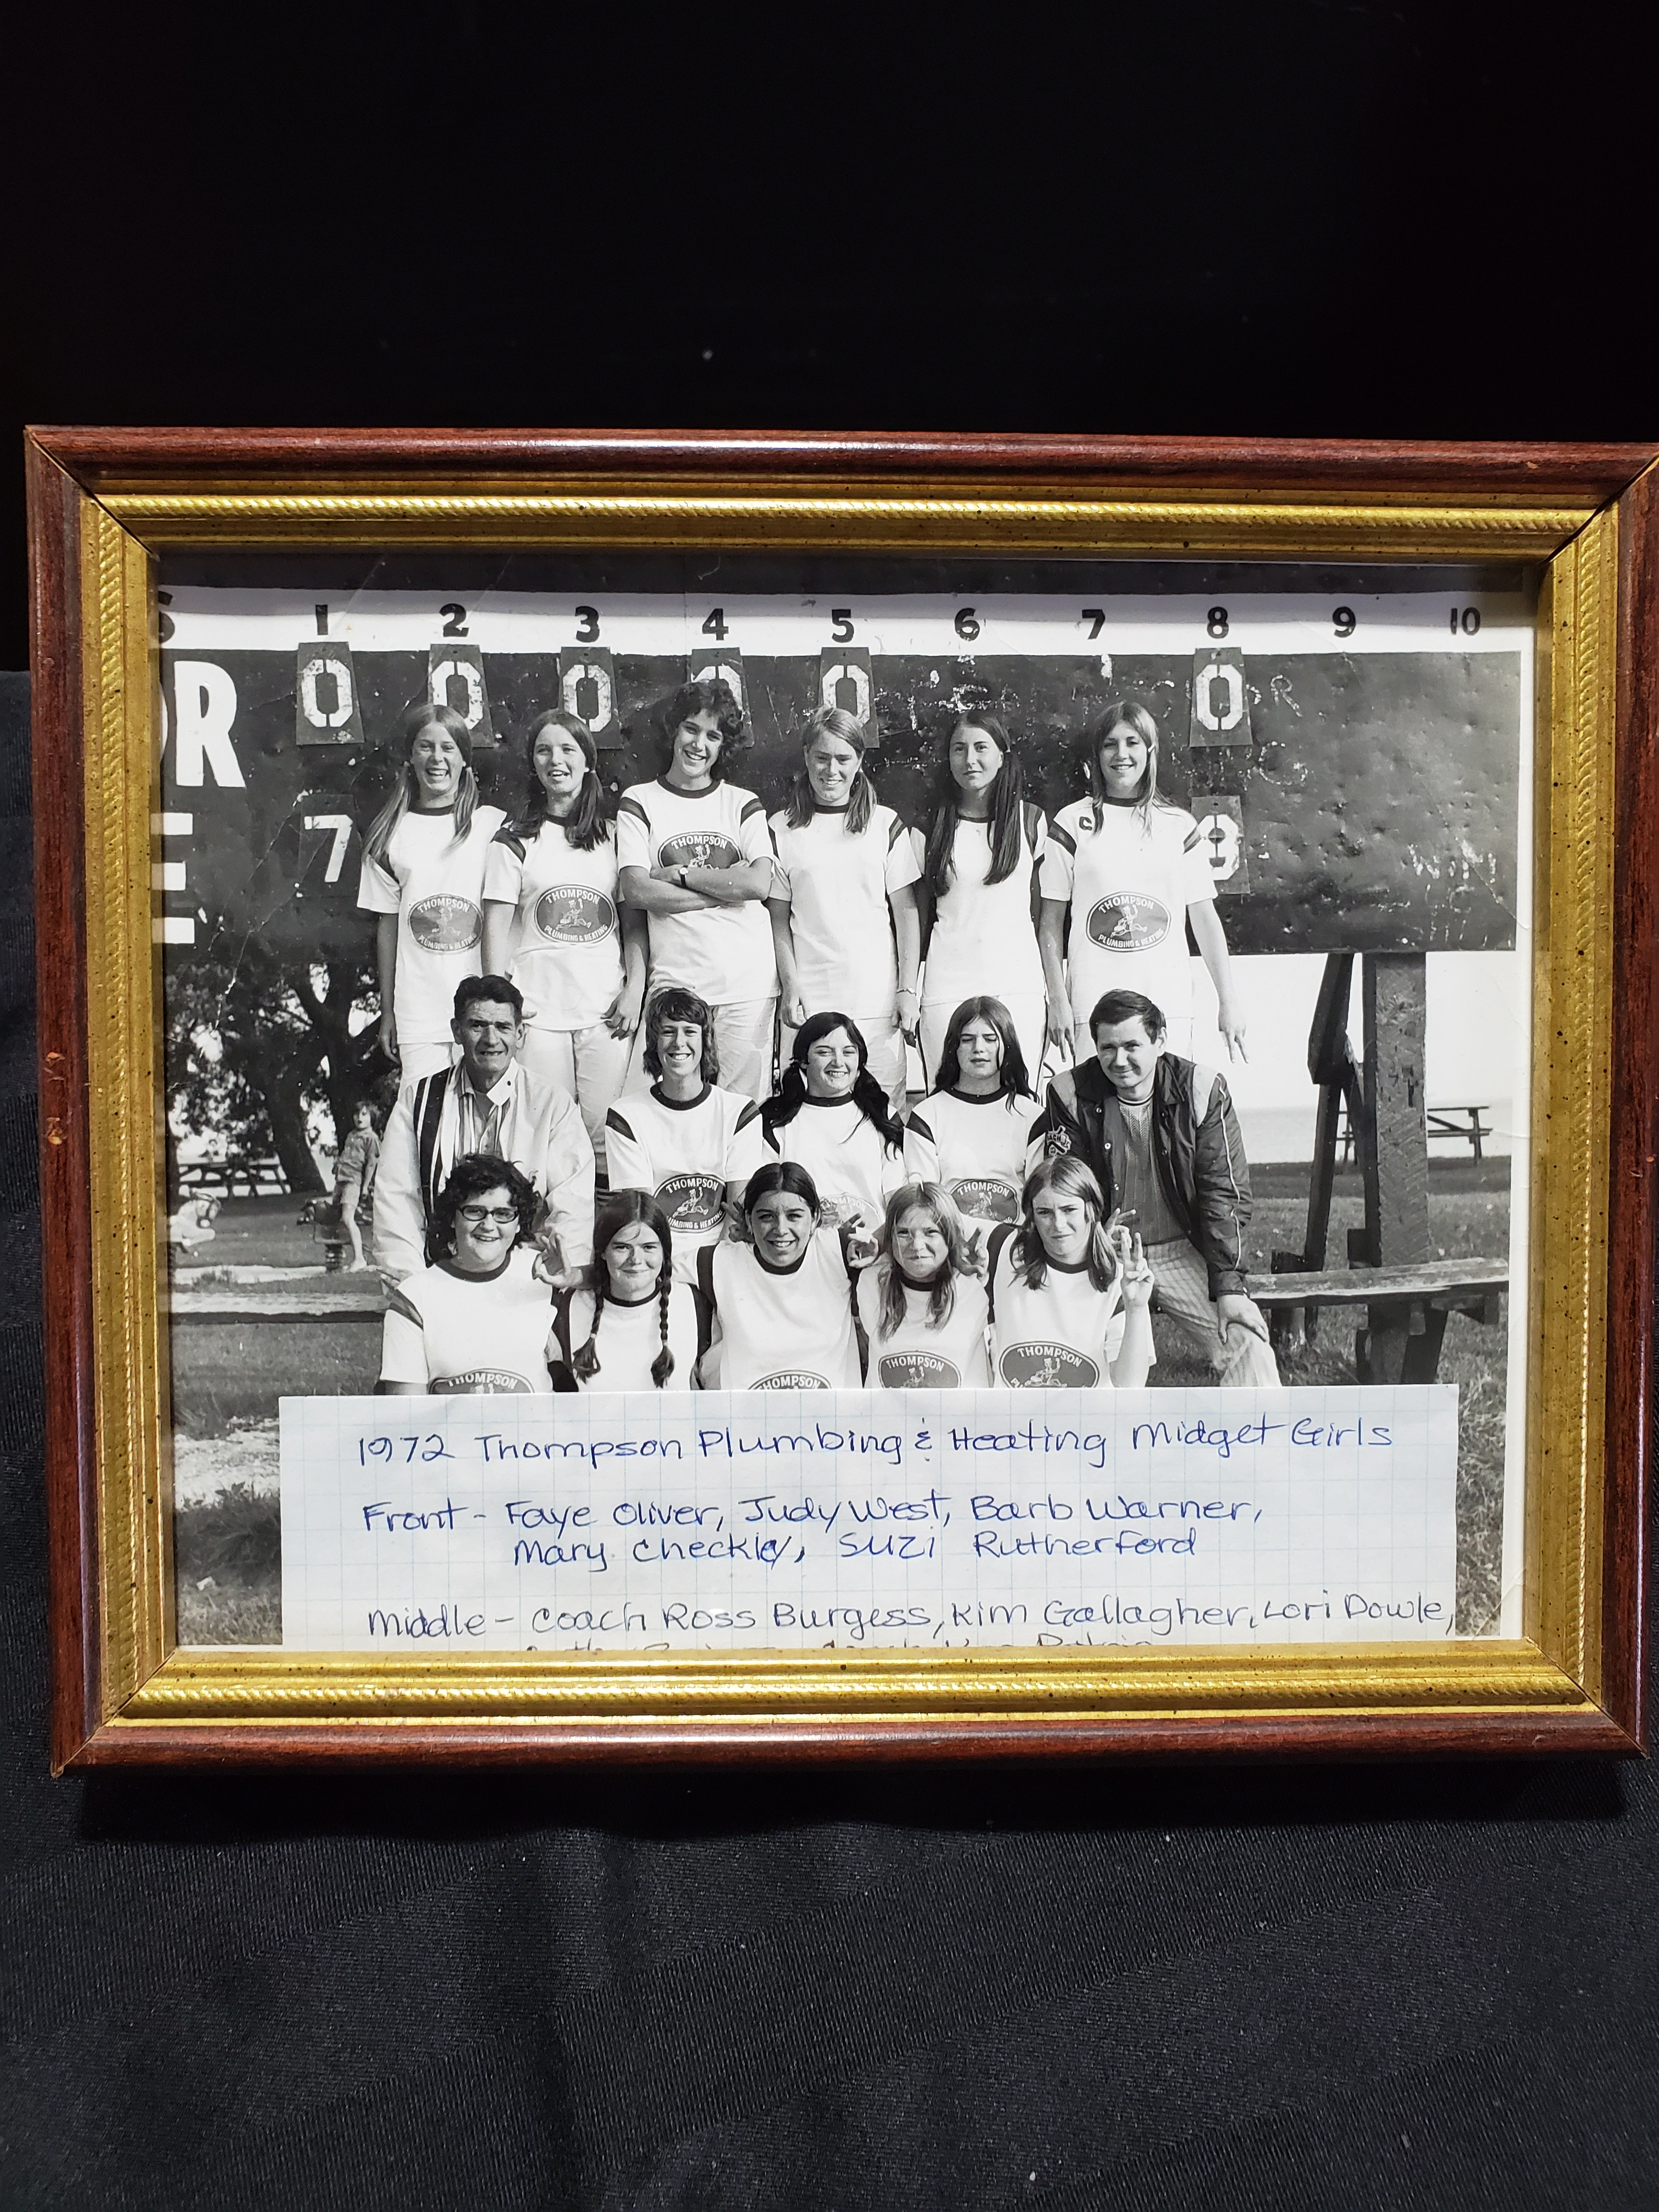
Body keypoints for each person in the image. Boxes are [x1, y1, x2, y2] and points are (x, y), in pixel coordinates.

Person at [1030, 986, 1279, 1387]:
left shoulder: (1200, 1087)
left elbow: (1224, 1194)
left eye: (1132, 1045)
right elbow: (1064, 1186)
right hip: (1104, 1249)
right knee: (1079, 1359)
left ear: (1160, 1039)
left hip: (1180, 1250)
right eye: (1107, 1047)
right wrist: (1093, 1242)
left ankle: (1254, 1445)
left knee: (1248, 1343)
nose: (1119, 1059)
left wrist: (1229, 1286)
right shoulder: (1069, 1092)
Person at [1038, 697, 1245, 1064]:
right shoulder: (1071, 824)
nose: (1122, 754)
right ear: (1097, 756)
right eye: (1110, 744)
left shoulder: (1179, 825)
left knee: (1168, 1114)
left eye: (1132, 743)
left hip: (1167, 1002)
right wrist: (1057, 1000)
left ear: (1150, 751)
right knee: (1100, 1117)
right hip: (1094, 1004)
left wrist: (1229, 1002)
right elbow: (1050, 922)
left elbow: (1205, 921)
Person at [481, 708, 648, 1165]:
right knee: (545, 1139)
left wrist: (635, 988)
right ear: (533, 764)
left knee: (606, 1140)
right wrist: (503, 1005)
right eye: (544, 750)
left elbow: (633, 922)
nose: (556, 760)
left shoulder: (614, 837)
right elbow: (494, 928)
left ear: (588, 761)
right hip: (539, 1015)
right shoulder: (512, 840)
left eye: (568, 749)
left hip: (606, 1013)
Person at [615, 677, 779, 1101]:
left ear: (724, 746)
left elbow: (759, 883)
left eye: (713, 735)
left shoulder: (743, 802)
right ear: (674, 730)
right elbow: (636, 891)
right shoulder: (640, 801)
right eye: (691, 729)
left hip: (747, 985)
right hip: (676, 984)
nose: (698, 744)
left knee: (742, 1115)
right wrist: (725, 889)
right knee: (662, 1109)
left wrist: (679, 875)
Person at [372, 974, 595, 1285]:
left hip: (526, 1279)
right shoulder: (420, 1100)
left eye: (503, 1027)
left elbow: (573, 1209)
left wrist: (552, 1277)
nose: (492, 1039)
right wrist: (415, 1288)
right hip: (441, 1277)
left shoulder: (551, 1104)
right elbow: (396, 1200)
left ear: (521, 1034)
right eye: (478, 1025)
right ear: (457, 1031)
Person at [768, 706, 922, 1109]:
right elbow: (779, 921)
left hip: (877, 1003)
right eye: (822, 758)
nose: (831, 770)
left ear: (860, 761)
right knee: (808, 1117)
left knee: (884, 1118)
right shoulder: (780, 829)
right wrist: (791, 987)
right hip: (811, 1003)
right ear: (806, 757)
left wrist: (908, 990)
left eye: (843, 759)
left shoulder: (885, 825)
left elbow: (906, 914)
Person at [357, 702, 506, 1081]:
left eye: (448, 748)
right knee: (428, 1125)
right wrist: (388, 1011)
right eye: (426, 746)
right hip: (420, 1011)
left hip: (485, 1013)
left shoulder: (492, 827)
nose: (437, 758)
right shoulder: (388, 835)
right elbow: (387, 930)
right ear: (410, 757)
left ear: (464, 762)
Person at [914, 710, 1053, 1088]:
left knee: (1021, 1105)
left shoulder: (1031, 822)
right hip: (947, 985)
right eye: (959, 749)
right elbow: (917, 917)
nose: (970, 760)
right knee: (946, 1102)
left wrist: (1055, 998)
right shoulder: (929, 827)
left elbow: (1043, 919)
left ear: (1002, 755)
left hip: (1018, 984)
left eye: (981, 748)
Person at [602, 986, 766, 1280]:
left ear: (706, 1043)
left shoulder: (740, 1113)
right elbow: (639, 1221)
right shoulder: (625, 1116)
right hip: (656, 1265)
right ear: (653, 1043)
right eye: (668, 1032)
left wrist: (709, 1276)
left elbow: (738, 1220)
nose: (679, 1042)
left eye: (690, 1032)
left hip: (720, 1264)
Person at [379, 1155, 556, 1394]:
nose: (488, 1225)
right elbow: (408, 1417)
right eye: (475, 1211)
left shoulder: (543, 1279)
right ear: (453, 1218)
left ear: (518, 1223)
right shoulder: (414, 1298)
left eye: (503, 1214)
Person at [986, 1154, 1154, 1389]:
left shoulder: (1121, 1278)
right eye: (1045, 1212)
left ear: (1091, 1210)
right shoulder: (1002, 1248)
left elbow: (1130, 1385)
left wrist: (1136, 1309)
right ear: (1031, 1216)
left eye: (1069, 1210)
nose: (1058, 1224)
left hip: (1084, 1422)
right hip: (1013, 1420)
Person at [696, 1163, 866, 1390]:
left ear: (816, 1218)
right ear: (747, 1219)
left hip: (832, 1423)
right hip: (749, 1423)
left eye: (794, 1216)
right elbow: (654, 1266)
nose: (781, 1229)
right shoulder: (719, 1262)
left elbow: (906, 1240)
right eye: (767, 1217)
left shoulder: (839, 1249)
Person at [902, 995, 1042, 1229]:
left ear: (1006, 1046)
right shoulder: (926, 1116)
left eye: (990, 1039)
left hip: (1015, 1246)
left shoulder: (1033, 1117)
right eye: (967, 1040)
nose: (979, 1049)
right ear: (954, 1048)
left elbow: (1041, 1199)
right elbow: (923, 1201)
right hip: (950, 1245)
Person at [761, 1011, 907, 1234]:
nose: (838, 1061)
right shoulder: (776, 1121)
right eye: (824, 1052)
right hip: (803, 1254)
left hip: (873, 1248)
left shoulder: (883, 1116)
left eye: (848, 1052)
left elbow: (899, 1202)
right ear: (802, 1061)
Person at [549, 1189, 709, 1392]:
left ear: (664, 1252)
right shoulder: (567, 1307)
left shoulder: (694, 1304)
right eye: (622, 1248)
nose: (636, 1259)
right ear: (603, 1252)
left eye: (649, 1247)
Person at [856, 1182, 991, 1389]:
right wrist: (876, 1240)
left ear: (950, 1235)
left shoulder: (972, 1288)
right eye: (903, 1233)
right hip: (889, 1419)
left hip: (957, 1420)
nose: (917, 1246)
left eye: (930, 1232)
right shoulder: (872, 1284)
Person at [329, 1100, 380, 1271]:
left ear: (372, 1118)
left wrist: (365, 1186)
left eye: (364, 1115)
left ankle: (360, 1258)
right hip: (342, 1179)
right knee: (336, 1217)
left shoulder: (371, 1138)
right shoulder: (351, 1135)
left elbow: (372, 1163)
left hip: (354, 1182)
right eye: (357, 1114)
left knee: (348, 1218)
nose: (360, 1118)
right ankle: (337, 1255)